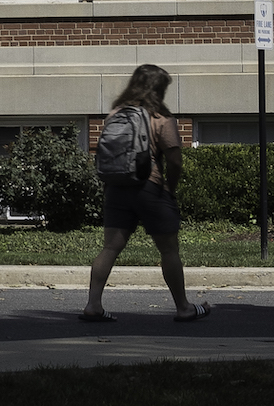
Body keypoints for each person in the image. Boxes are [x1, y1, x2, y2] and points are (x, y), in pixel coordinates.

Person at [78, 61, 207, 324]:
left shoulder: (115, 114)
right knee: (169, 250)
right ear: (158, 89)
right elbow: (174, 159)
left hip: (116, 188)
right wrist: (170, 188)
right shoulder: (160, 117)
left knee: (109, 249)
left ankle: (93, 305)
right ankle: (183, 307)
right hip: (150, 189)